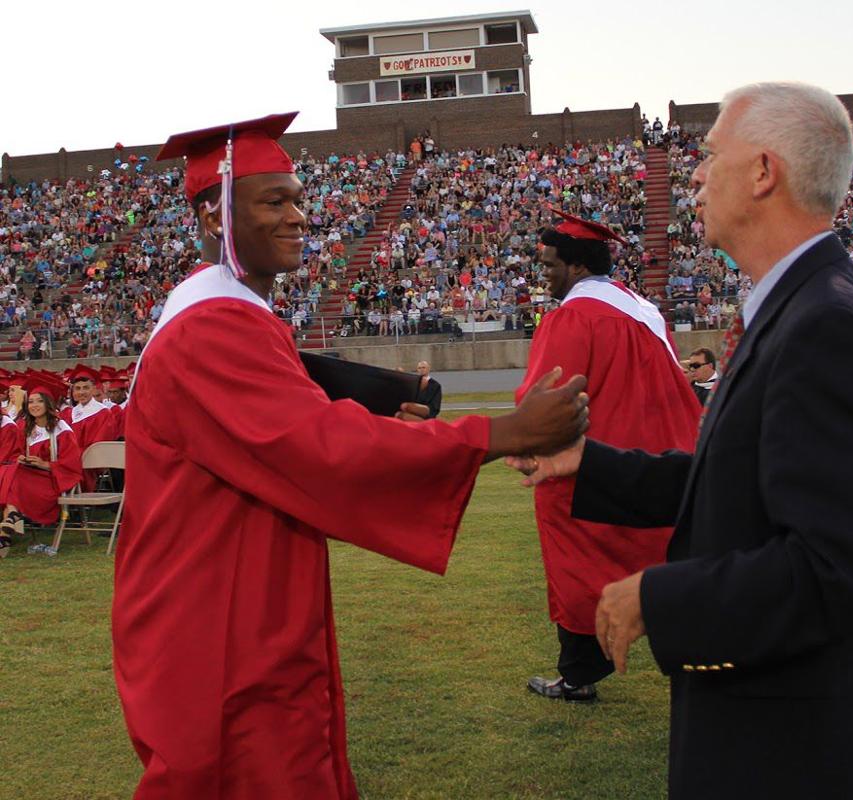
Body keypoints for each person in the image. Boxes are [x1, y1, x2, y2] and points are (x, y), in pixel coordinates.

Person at [112, 113, 590, 800]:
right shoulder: (209, 327)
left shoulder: (227, 314)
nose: (298, 216)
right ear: (214, 215)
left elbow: (291, 438)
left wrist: (382, 422)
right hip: (217, 613)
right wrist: (501, 434)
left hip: (244, 587)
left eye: (298, 199)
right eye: (273, 201)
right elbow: (319, 447)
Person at [511, 82, 853, 798]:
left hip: (821, 743)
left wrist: (658, 597)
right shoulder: (799, 305)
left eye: (709, 155)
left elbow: (835, 567)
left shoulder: (827, 326)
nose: (692, 176)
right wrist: (590, 464)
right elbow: (741, 478)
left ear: (762, 172)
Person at [521, 211, 700, 703]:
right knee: (665, 553)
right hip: (666, 453)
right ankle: (691, 656)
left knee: (578, 562)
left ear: (578, 266)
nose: (544, 275)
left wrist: (528, 437)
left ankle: (578, 674)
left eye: (550, 265)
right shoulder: (644, 310)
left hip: (596, 459)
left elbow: (547, 396)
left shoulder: (572, 317)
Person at [0, 380, 83, 557]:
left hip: (51, 481)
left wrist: (44, 464)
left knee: (11, 474)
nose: (34, 405)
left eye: (39, 401)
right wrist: (21, 458)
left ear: (48, 403)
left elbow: (72, 465)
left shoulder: (61, 429)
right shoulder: (24, 426)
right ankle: (9, 523)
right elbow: (15, 454)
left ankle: (10, 521)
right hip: (27, 478)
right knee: (11, 470)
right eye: (30, 401)